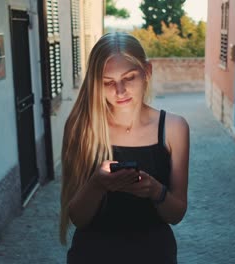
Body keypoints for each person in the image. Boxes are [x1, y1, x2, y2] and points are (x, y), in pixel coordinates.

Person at [59, 32, 190, 264]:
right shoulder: (81, 127)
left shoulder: (174, 128)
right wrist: (97, 185)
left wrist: (155, 191)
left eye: (129, 78)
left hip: (155, 255)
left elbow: (176, 214)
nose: (119, 91)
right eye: (108, 82)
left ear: (147, 72)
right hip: (92, 256)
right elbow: (78, 218)